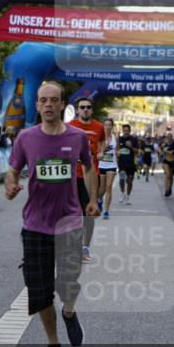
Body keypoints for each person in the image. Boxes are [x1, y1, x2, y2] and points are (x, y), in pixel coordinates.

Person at [5, 82, 97, 347]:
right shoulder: (25, 138)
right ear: (37, 105)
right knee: (40, 291)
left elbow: (89, 166)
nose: (47, 105)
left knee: (67, 284)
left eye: (53, 100)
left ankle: (69, 311)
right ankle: (53, 344)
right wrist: (11, 186)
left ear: (61, 105)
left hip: (68, 222)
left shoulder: (78, 137)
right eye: (42, 100)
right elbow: (13, 171)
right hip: (34, 224)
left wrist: (92, 199)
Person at [67, 98, 105, 262]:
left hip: (91, 176)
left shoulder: (99, 127)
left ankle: (85, 248)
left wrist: (101, 151)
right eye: (82, 107)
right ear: (77, 110)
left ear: (92, 110)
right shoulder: (69, 126)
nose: (86, 110)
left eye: (89, 107)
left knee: (89, 213)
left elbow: (102, 141)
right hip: (73, 176)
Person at [97, 118, 117, 219]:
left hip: (112, 166)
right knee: (102, 189)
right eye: (106, 125)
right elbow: (96, 151)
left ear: (112, 126)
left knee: (108, 187)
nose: (108, 127)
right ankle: (99, 199)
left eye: (109, 125)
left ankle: (106, 211)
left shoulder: (115, 138)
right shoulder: (99, 138)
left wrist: (119, 166)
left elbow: (117, 152)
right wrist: (101, 152)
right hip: (101, 165)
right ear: (103, 126)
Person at [116, 123, 139, 205]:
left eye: (127, 131)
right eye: (124, 130)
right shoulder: (120, 139)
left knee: (129, 181)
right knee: (122, 178)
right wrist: (117, 153)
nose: (125, 132)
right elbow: (117, 149)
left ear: (129, 131)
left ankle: (128, 196)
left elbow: (137, 151)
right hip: (121, 163)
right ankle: (122, 193)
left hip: (131, 164)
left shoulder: (134, 139)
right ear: (123, 131)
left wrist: (131, 146)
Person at [160, 130, 174, 197]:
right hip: (166, 161)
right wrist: (161, 152)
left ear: (172, 137)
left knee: (171, 177)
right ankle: (166, 189)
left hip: (173, 161)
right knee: (167, 175)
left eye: (170, 137)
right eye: (168, 137)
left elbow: (173, 152)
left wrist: (167, 151)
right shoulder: (164, 144)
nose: (169, 138)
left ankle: (170, 188)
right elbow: (159, 149)